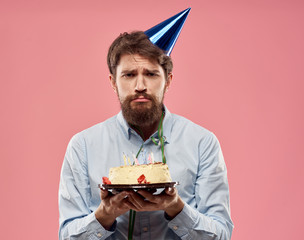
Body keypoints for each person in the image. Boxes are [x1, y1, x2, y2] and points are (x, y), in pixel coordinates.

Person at [58, 10, 233, 240]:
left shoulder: (203, 143)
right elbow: (67, 236)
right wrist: (104, 215)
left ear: (168, 81)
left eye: (151, 74)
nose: (140, 85)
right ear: (113, 82)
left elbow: (222, 235)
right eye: (129, 75)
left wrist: (176, 209)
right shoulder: (82, 147)